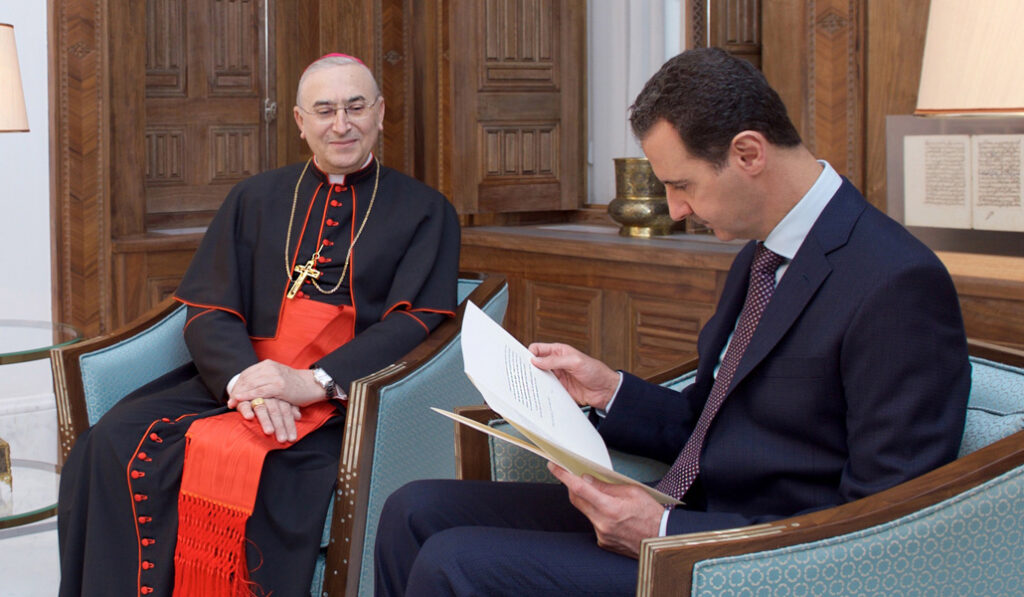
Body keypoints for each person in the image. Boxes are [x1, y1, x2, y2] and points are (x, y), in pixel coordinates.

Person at [373, 47, 970, 596]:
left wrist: (664, 529)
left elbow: (887, 520)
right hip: (690, 513)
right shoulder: (760, 258)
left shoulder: (894, 283)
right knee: (413, 512)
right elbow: (710, 424)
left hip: (759, 561)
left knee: (453, 563)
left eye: (682, 185)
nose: (677, 209)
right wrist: (610, 391)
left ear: (748, 153)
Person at [57, 53, 461, 596]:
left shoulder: (425, 210)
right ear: (300, 122)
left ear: (380, 113)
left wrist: (313, 382)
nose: (341, 124)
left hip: (347, 398)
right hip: (238, 379)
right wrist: (243, 383)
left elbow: (415, 323)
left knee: (279, 479)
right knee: (108, 444)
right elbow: (210, 307)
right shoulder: (254, 198)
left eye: (355, 106)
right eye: (324, 110)